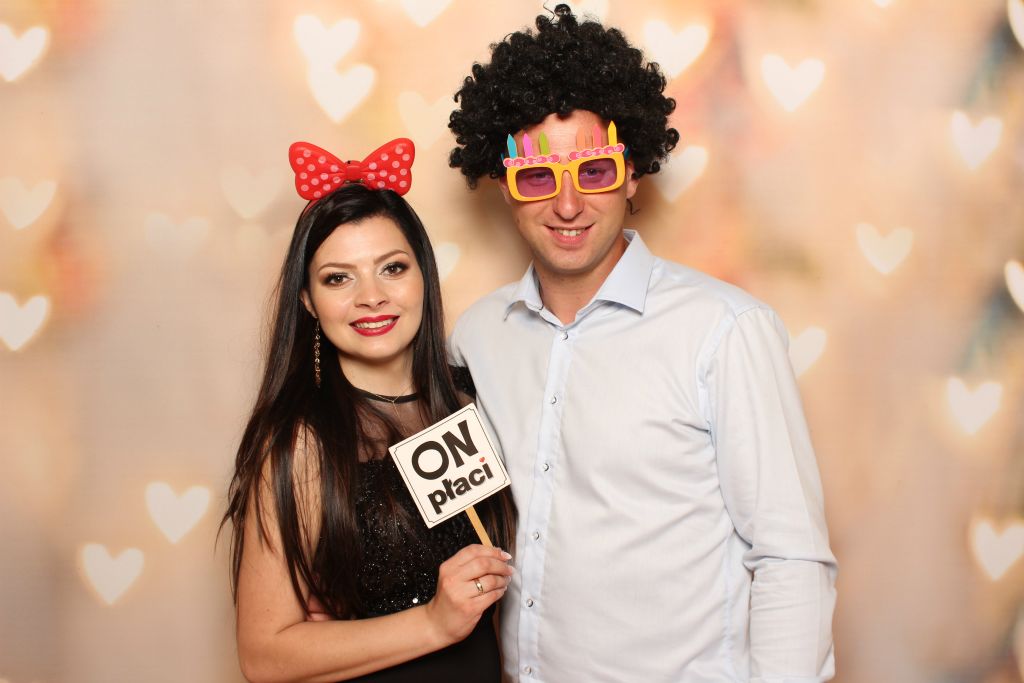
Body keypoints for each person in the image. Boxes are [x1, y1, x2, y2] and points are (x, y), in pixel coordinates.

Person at [447, 6, 838, 682]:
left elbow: (790, 556)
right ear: (504, 183)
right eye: (538, 176)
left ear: (632, 174)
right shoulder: (477, 337)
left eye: (594, 171)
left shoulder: (724, 330)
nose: (567, 204)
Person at [222, 138, 515, 682]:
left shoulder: (469, 398)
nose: (371, 296)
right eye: (339, 277)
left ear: (424, 276)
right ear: (308, 302)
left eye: (392, 268)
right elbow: (263, 654)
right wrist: (433, 623)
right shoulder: (302, 442)